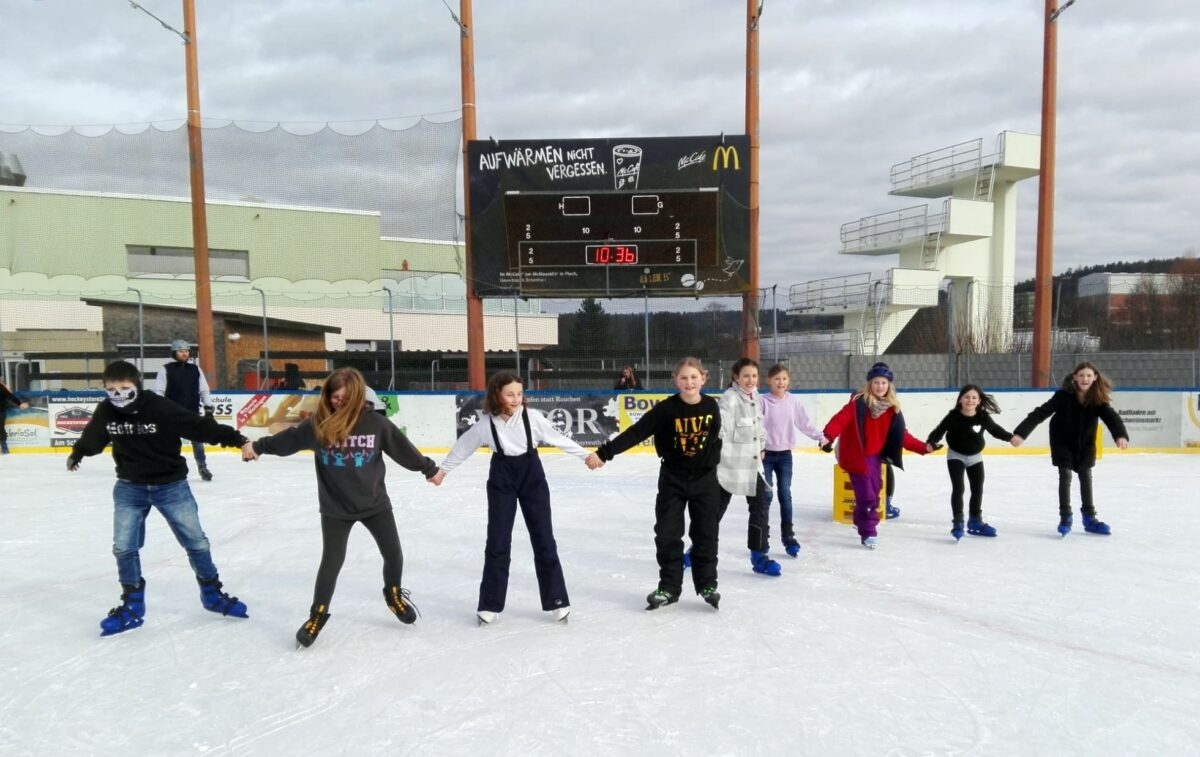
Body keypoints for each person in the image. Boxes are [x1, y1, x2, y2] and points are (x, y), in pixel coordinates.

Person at [242, 368, 438, 648]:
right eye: (335, 398)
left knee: (393, 554)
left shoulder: (376, 424)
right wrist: (258, 447)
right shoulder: (318, 425)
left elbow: (403, 449)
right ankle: (317, 616)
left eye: (346, 398)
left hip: (374, 504)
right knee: (331, 563)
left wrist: (428, 469)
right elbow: (287, 441)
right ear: (327, 397)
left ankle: (393, 594)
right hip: (336, 507)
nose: (341, 403)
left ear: (358, 396)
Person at [67, 360, 250, 636]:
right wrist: (79, 452)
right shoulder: (106, 410)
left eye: (124, 388)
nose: (118, 395)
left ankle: (212, 594)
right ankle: (132, 605)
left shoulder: (159, 407)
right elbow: (94, 436)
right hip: (130, 486)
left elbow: (199, 426)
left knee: (196, 542)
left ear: (137, 385)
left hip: (170, 485)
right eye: (111, 390)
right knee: (124, 547)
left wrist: (239, 440)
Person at [431, 372, 593, 626]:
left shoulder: (532, 417)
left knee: (543, 538)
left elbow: (558, 438)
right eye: (510, 394)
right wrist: (443, 471)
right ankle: (490, 604)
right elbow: (464, 445)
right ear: (497, 395)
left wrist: (586, 456)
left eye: (519, 393)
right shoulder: (486, 424)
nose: (516, 399)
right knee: (497, 541)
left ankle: (557, 600)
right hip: (501, 478)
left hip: (532, 476)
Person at [588, 357, 724, 610]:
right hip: (673, 478)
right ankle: (669, 587)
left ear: (704, 379)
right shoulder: (666, 409)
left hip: (705, 480)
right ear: (676, 381)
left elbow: (716, 437)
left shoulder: (711, 406)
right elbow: (637, 432)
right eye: (684, 378)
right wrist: (604, 453)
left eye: (694, 377)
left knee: (706, 533)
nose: (689, 382)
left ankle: (707, 583)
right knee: (667, 533)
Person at [820, 362, 933, 549]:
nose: (880, 386)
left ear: (889, 385)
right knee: (867, 497)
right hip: (856, 456)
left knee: (875, 492)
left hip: (874, 457)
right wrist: (827, 436)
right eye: (876, 382)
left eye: (883, 383)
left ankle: (860, 519)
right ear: (869, 384)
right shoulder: (858, 404)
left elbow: (902, 436)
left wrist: (924, 447)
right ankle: (868, 532)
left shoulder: (892, 410)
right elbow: (840, 419)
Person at [1011, 361, 1129, 537]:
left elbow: (1112, 418)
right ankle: (1065, 517)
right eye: (1081, 375)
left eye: (1088, 375)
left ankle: (1089, 518)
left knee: (1085, 475)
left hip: (1085, 443)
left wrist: (1120, 435)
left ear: (1095, 378)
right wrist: (1021, 433)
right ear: (1074, 378)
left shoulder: (1097, 399)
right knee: (1065, 475)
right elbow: (1040, 413)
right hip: (1062, 441)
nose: (1085, 378)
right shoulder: (1063, 396)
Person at [716, 358, 782, 576]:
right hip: (730, 465)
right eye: (746, 376)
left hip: (753, 466)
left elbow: (759, 427)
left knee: (760, 508)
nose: (750, 380)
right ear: (736, 377)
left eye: (754, 376)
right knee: (714, 512)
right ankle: (697, 550)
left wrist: (762, 446)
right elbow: (720, 427)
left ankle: (759, 556)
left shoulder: (756, 396)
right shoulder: (730, 398)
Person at [926, 384, 1014, 540]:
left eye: (974, 398)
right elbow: (939, 430)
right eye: (967, 397)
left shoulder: (982, 416)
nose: (970, 400)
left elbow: (995, 429)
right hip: (956, 455)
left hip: (975, 457)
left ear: (979, 401)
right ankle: (958, 521)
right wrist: (931, 442)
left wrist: (1010, 438)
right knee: (958, 487)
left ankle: (975, 521)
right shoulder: (953, 416)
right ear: (960, 399)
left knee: (977, 488)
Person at [760, 364, 823, 557]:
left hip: (785, 456)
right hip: (765, 455)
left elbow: (804, 423)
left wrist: (819, 437)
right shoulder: (762, 401)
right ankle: (763, 538)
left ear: (788, 381)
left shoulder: (793, 401)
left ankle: (788, 536)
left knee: (785, 494)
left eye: (784, 379)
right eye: (777, 379)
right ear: (769, 380)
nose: (781, 382)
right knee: (766, 496)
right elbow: (756, 427)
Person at [153, 339, 215, 481]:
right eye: (181, 351)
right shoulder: (165, 369)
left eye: (186, 351)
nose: (184, 353)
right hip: (171, 415)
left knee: (198, 442)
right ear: (174, 353)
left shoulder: (195, 369)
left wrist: (208, 409)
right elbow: (158, 392)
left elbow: (204, 390)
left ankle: (202, 466)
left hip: (191, 413)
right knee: (169, 443)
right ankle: (168, 468)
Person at [0, 379, 30, 454]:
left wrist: (20, 403)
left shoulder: (2, 387)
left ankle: (4, 446)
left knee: (0, 428)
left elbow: (10, 396)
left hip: (1, 411)